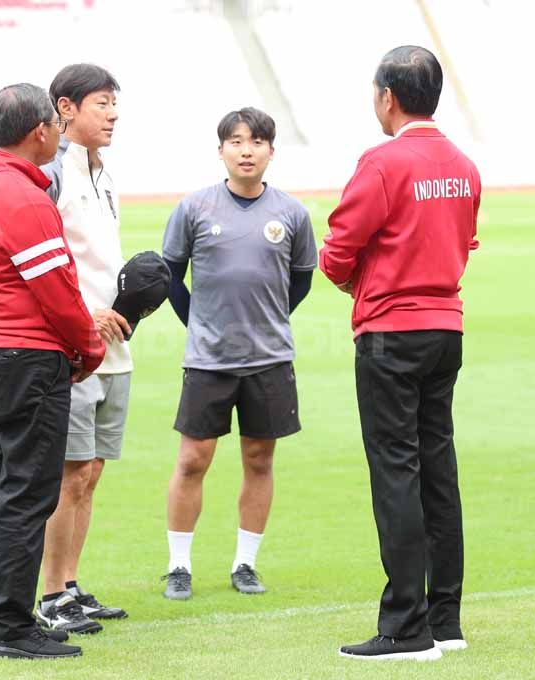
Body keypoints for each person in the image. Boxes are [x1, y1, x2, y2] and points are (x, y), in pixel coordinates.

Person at [320, 46, 481, 661]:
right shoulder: (463, 164)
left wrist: (357, 283)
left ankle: (405, 628)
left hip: (391, 329)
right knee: (439, 471)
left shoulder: (383, 162)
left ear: (388, 96)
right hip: (446, 327)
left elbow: (339, 247)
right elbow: (466, 239)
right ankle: (445, 619)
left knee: (396, 472)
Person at [0, 82, 105, 660]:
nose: (58, 132)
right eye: (54, 124)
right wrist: (87, 347)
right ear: (39, 131)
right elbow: (57, 292)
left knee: (0, 490)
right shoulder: (23, 197)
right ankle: (12, 627)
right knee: (27, 494)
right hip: (28, 356)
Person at [160, 107, 316, 600]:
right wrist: (201, 323)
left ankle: (245, 564)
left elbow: (302, 278)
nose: (246, 150)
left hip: (269, 359)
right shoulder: (194, 208)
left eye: (256, 141)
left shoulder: (291, 213)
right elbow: (169, 274)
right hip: (208, 359)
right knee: (192, 460)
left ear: (271, 150)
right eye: (236, 141)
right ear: (221, 149)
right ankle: (179, 566)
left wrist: (267, 318)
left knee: (259, 458)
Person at [34, 63, 131, 636]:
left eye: (115, 102)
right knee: (70, 472)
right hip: (76, 345)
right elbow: (47, 257)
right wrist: (82, 313)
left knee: (91, 472)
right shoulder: (52, 174)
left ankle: (70, 583)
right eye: (101, 103)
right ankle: (49, 595)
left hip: (115, 341)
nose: (113, 113)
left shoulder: (104, 171)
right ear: (65, 109)